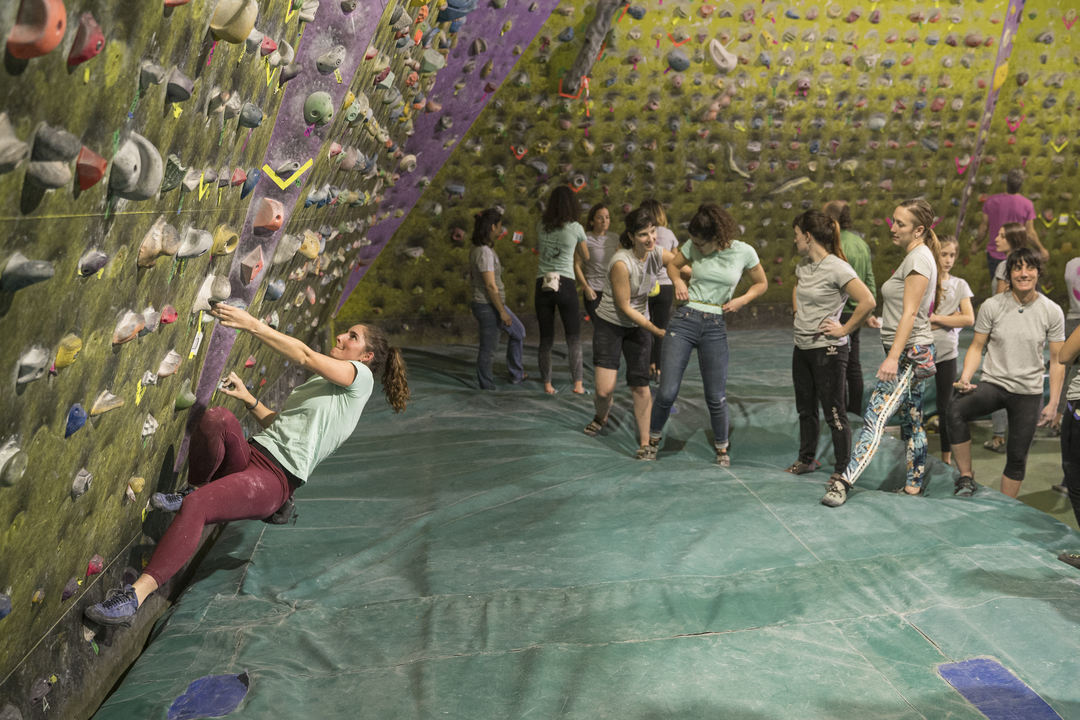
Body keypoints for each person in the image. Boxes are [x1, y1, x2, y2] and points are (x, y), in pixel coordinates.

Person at [84, 311, 410, 625]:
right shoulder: (324, 386)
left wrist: (253, 325)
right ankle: (193, 489)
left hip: (273, 479)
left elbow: (305, 356)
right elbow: (281, 426)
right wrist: (249, 399)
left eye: (352, 337)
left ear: (366, 357)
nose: (340, 337)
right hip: (254, 454)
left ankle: (134, 598)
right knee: (218, 418)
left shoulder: (361, 379)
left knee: (197, 507)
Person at [822, 198, 942, 508]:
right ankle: (914, 485)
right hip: (910, 349)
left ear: (918, 230)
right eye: (893, 221)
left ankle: (844, 482)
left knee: (875, 417)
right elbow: (904, 309)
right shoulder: (916, 256)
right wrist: (881, 323)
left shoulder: (918, 259)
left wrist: (893, 357)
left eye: (900, 223)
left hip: (909, 355)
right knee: (913, 420)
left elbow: (911, 313)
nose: (893, 227)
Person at [645, 203, 768, 465]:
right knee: (666, 392)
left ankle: (722, 448)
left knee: (715, 395)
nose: (696, 248)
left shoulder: (744, 251)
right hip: (684, 320)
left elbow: (762, 283)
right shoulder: (693, 245)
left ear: (717, 237)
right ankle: (651, 443)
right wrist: (678, 280)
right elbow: (673, 266)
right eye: (694, 243)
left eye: (701, 244)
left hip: (715, 325)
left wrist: (742, 300)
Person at [948, 247, 1064, 498]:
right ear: (1009, 273)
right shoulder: (992, 306)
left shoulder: (1052, 310)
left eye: (1030, 267)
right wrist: (966, 377)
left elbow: (1057, 360)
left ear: (1038, 272)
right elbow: (976, 346)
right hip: (995, 384)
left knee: (1017, 456)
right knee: (956, 410)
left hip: (1029, 392)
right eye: (1017, 268)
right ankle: (966, 476)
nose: (1024, 273)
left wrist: (1054, 403)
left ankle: (1006, 506)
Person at [787, 210, 876, 482]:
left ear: (808, 236)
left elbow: (868, 301)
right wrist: (797, 313)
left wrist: (844, 329)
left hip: (829, 350)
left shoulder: (838, 267)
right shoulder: (804, 265)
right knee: (805, 410)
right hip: (802, 348)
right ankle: (806, 459)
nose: (794, 240)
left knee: (834, 412)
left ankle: (842, 468)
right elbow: (797, 287)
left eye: (796, 235)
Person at [583, 209, 675, 457]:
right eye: (643, 234)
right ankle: (601, 417)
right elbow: (624, 307)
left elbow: (681, 265)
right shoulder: (621, 263)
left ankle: (646, 443)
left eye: (653, 231)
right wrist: (656, 330)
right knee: (604, 391)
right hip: (611, 324)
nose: (650, 238)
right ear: (632, 237)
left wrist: (687, 278)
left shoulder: (656, 253)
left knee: (641, 386)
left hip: (638, 327)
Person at [822, 200, 877, 415]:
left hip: (838, 312)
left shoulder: (833, 244)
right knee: (853, 364)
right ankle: (855, 411)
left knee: (836, 365)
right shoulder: (861, 244)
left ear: (831, 219)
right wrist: (868, 312)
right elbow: (869, 278)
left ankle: (838, 411)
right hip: (858, 312)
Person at [535, 185, 589, 394]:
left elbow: (540, 249)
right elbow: (585, 256)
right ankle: (578, 385)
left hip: (542, 283)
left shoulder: (540, 225)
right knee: (573, 337)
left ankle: (547, 385)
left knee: (545, 339)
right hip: (565, 283)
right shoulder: (576, 228)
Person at [983, 222, 1030, 453]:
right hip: (1022, 329)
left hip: (1003, 330)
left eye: (1002, 236)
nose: (996, 239)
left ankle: (999, 436)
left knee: (998, 382)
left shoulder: (1005, 265)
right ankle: (1023, 433)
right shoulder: (1027, 265)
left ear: (1013, 239)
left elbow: (1001, 300)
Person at [929, 236, 975, 466]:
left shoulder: (960, 285)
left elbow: (968, 319)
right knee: (911, 403)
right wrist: (950, 318)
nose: (948, 260)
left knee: (945, 406)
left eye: (952, 255)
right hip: (921, 349)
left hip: (947, 353)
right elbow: (917, 321)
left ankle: (946, 459)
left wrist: (936, 318)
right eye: (943, 254)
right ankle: (910, 453)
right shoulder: (925, 282)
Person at [470, 208, 526, 390]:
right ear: (493, 227)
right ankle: (487, 385)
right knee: (488, 349)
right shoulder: (483, 252)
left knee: (518, 331)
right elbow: (490, 286)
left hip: (493, 304)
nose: (501, 230)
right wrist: (502, 312)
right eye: (500, 226)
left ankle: (516, 374)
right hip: (487, 305)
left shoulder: (483, 249)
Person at [970, 168, 1048, 278]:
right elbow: (1030, 234)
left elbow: (984, 228)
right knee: (1016, 286)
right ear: (1021, 185)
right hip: (1017, 256)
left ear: (1006, 182)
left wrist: (976, 243)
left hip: (995, 254)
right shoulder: (1027, 205)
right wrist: (1041, 249)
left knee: (998, 286)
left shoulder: (991, 201)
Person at [639, 199, 679, 383]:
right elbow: (676, 261)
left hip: (645, 285)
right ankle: (660, 370)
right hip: (665, 285)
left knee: (646, 326)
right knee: (661, 329)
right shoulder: (668, 234)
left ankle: (649, 365)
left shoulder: (640, 234)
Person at [574, 203, 618, 322]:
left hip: (613, 291)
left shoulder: (615, 238)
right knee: (600, 326)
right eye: (600, 217)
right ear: (592, 221)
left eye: (607, 217)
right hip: (594, 290)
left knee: (612, 328)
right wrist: (585, 286)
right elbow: (577, 265)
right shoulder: (585, 239)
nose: (604, 221)